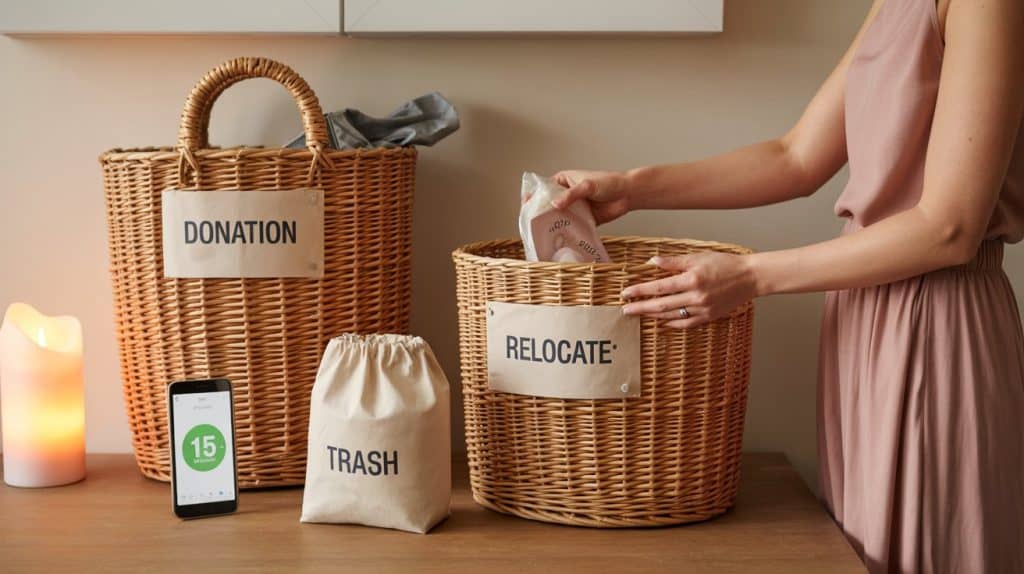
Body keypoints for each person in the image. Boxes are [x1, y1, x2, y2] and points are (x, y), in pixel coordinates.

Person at [552, 0, 1023, 572]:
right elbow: (795, 156)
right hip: (861, 314)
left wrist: (751, 276)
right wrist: (631, 188)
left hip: (937, 324)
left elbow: (948, 229)